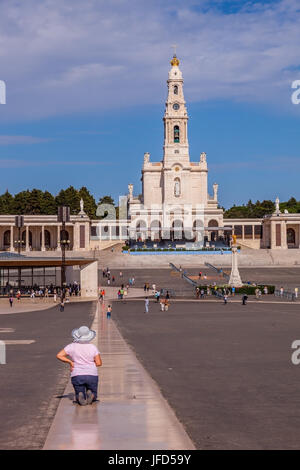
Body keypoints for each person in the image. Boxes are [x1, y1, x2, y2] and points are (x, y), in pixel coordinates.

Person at [56, 326, 102, 406]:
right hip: (91, 374)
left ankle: (79, 395)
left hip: (77, 374)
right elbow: (98, 363)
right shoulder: (93, 347)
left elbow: (59, 355)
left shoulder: (71, 346)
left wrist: (70, 362)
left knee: (78, 390)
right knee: (93, 391)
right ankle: (92, 395)